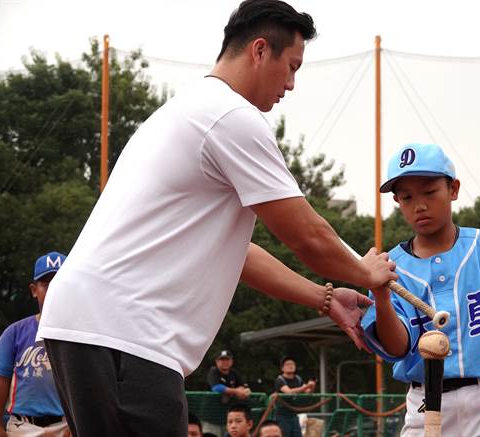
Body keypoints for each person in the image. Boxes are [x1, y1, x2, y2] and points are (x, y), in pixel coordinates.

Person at [37, 1, 397, 436]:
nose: (292, 84)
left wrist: (324, 299)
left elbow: (238, 254)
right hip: (122, 331)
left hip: (96, 325)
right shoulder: (231, 117)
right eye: (292, 66)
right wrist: (365, 272)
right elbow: (308, 235)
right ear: (260, 50)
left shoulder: (187, 110)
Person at [361, 144, 480, 437]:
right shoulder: (389, 268)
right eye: (407, 197)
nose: (419, 205)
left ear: (453, 189)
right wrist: (381, 295)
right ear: (397, 201)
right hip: (424, 400)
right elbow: (396, 348)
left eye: (429, 192)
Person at [0, 252, 70, 437]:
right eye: (46, 284)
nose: (53, 289)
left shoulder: (81, 334)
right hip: (23, 426)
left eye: (59, 283)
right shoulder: (15, 333)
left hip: (67, 426)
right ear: (34, 289)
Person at [273, 356, 313, 437]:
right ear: (282, 368)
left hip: (294, 415)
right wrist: (305, 387)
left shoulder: (298, 379)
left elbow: (308, 392)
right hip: (282, 415)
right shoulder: (280, 380)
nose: (291, 366)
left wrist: (312, 386)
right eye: (288, 364)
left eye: (293, 364)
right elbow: (289, 392)